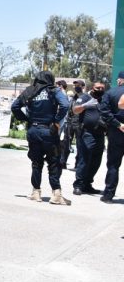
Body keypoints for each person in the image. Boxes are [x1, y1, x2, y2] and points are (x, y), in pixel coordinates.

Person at [11, 71, 71, 205]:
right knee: (54, 162)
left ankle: (36, 192)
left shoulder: (29, 91)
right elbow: (65, 105)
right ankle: (56, 194)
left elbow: (15, 107)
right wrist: (56, 121)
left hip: (33, 131)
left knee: (36, 162)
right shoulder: (53, 90)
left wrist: (26, 119)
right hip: (49, 131)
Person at [71, 81, 106, 196]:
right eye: (98, 88)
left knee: (96, 160)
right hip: (87, 133)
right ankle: (78, 185)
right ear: (92, 88)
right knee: (84, 159)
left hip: (100, 133)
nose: (100, 90)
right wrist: (85, 105)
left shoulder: (104, 98)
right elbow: (75, 110)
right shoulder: (85, 97)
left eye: (102, 88)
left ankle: (87, 184)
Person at [97, 71, 124, 203]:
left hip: (116, 133)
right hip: (117, 131)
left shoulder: (111, 93)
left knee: (113, 165)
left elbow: (104, 111)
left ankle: (108, 195)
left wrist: (118, 124)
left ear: (120, 80)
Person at [61, 80, 85, 170]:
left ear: (82, 87)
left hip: (80, 123)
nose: (75, 87)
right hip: (70, 122)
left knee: (79, 145)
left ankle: (78, 164)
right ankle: (62, 162)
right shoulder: (73, 98)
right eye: (74, 85)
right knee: (66, 143)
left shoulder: (85, 97)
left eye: (77, 85)